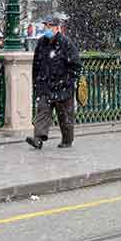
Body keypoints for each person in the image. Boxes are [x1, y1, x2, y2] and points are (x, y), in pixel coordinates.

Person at [26, 17, 82, 149]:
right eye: (46, 26)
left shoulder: (66, 43)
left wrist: (68, 80)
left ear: (57, 28)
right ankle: (38, 138)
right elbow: (37, 64)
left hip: (63, 87)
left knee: (65, 116)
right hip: (46, 85)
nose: (47, 29)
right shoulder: (41, 43)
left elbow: (76, 65)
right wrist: (37, 82)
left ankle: (67, 140)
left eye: (50, 26)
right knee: (42, 111)